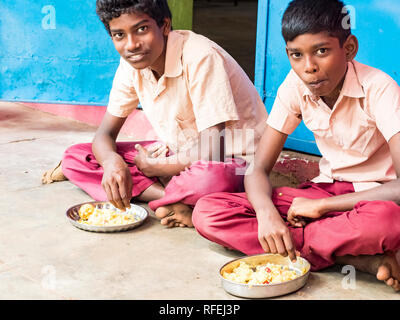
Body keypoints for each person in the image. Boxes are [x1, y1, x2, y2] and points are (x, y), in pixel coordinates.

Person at [192, 0, 400, 291]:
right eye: (296, 55)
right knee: (208, 211)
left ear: (349, 48)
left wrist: (322, 206)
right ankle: (348, 256)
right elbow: (258, 169)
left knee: (389, 223)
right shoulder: (295, 86)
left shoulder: (380, 89)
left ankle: (303, 248)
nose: (309, 68)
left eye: (322, 51)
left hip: (370, 199)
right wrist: (266, 217)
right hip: (321, 190)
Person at [54, 0, 268, 228]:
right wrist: (112, 162)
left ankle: (166, 194)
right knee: (77, 156)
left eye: (141, 29)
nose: (132, 45)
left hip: (232, 162)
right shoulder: (131, 64)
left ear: (164, 25)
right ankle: (171, 198)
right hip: (177, 155)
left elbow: (213, 148)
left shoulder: (200, 56)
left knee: (210, 178)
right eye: (119, 35)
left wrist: (157, 168)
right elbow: (105, 134)